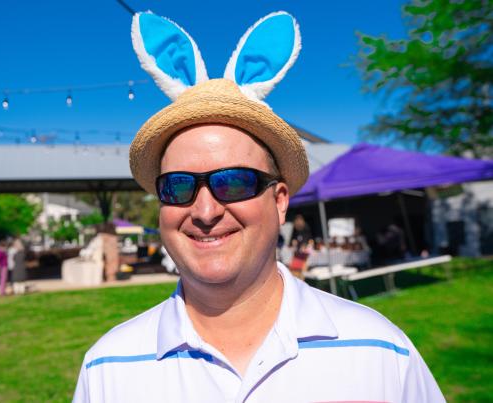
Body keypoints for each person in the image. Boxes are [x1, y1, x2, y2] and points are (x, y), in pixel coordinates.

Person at [74, 11, 444, 402]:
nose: (205, 211)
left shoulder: (380, 353)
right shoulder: (108, 368)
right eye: (178, 186)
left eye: (233, 182)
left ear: (280, 201)